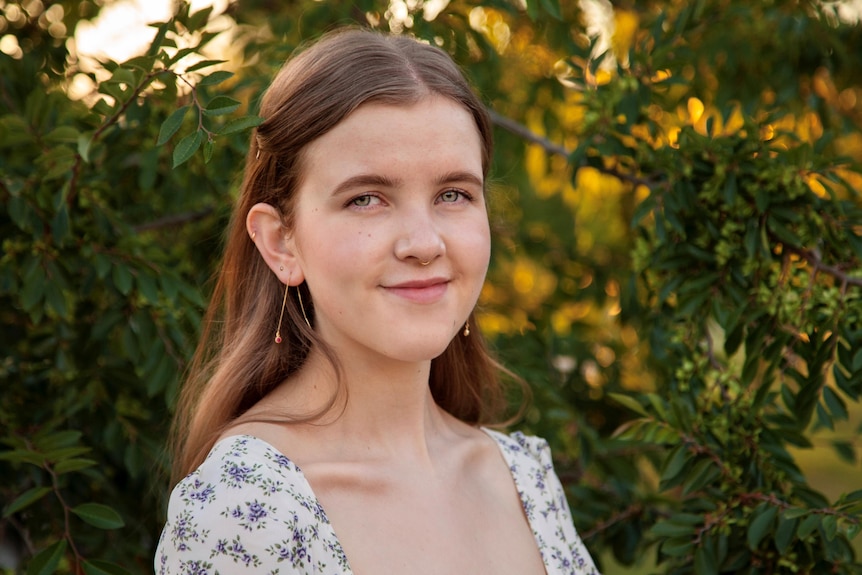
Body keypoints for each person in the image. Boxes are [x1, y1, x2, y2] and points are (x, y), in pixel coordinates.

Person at [155, 27, 599, 575]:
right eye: (367, 199)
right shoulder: (244, 512)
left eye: (453, 194)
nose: (424, 243)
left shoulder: (522, 478)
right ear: (280, 242)